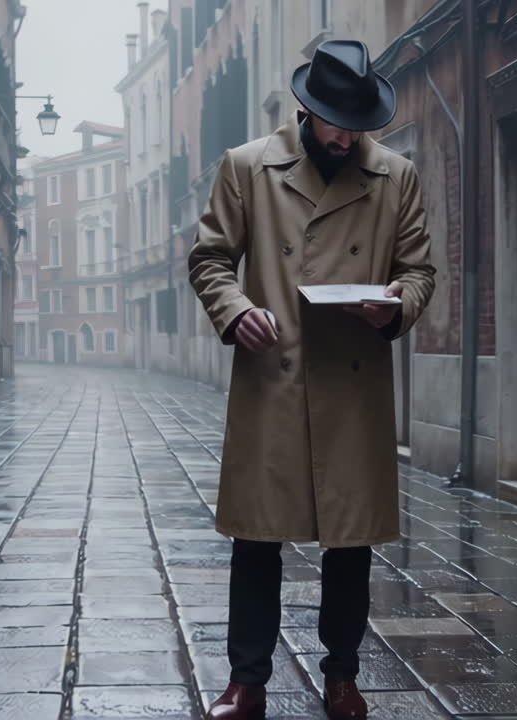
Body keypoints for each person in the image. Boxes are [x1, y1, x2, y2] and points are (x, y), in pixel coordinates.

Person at [188, 39, 436, 720]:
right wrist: (236, 311)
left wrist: (396, 305)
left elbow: (420, 272)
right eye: (332, 120)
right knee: (257, 538)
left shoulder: (396, 176)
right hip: (275, 374)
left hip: (351, 380)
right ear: (306, 108)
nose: (343, 135)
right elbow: (209, 259)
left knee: (349, 544)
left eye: (355, 123)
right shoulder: (246, 168)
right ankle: (247, 683)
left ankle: (343, 676)